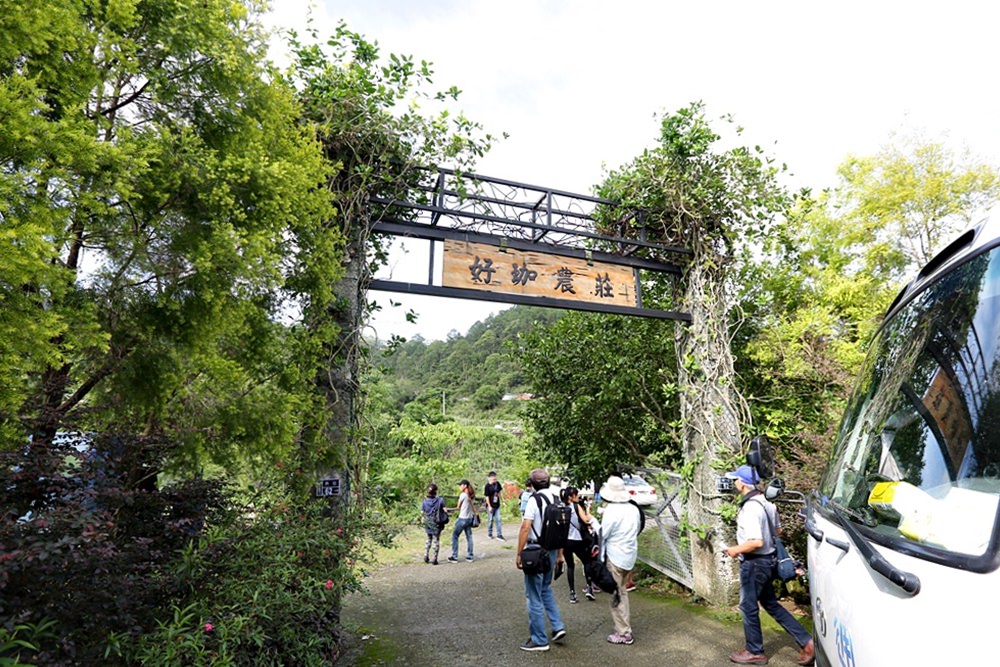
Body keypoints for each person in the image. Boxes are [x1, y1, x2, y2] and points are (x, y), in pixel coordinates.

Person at [724, 465, 815, 666]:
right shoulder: (767, 503)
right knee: (770, 604)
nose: (734, 483)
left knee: (748, 606)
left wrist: (735, 550)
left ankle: (755, 651)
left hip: (754, 564)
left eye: (736, 479)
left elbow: (756, 542)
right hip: (768, 561)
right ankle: (807, 641)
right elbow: (778, 532)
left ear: (743, 484)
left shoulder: (750, 508)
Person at [515, 468, 567, 652]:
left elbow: (525, 527)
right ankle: (557, 626)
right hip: (552, 550)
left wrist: (519, 553)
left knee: (533, 595)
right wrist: (560, 555)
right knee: (545, 589)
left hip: (535, 551)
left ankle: (539, 639)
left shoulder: (533, 500)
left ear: (532, 483)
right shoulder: (556, 499)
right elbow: (562, 530)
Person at [598, 475, 643, 645]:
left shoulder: (611, 510)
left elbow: (604, 535)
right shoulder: (633, 509)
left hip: (615, 556)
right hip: (630, 555)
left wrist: (600, 558)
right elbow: (637, 528)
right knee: (622, 591)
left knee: (616, 594)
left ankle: (624, 633)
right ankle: (623, 628)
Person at [560, 487, 596, 603]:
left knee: (570, 566)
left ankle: (572, 594)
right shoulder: (576, 507)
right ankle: (589, 588)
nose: (578, 497)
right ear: (570, 497)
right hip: (577, 540)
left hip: (565, 542)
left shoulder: (561, 508)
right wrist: (588, 510)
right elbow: (585, 520)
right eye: (576, 495)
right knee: (587, 562)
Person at [448, 479, 477, 563]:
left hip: (462, 518)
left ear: (465, 486)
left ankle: (454, 556)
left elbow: (458, 507)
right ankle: (470, 556)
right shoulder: (471, 495)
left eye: (461, 485)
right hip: (469, 518)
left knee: (455, 536)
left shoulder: (463, 495)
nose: (460, 487)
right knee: (469, 537)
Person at [420, 483, 446, 565]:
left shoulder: (424, 501)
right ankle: (435, 558)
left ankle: (426, 554)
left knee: (428, 538)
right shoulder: (440, 500)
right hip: (437, 522)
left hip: (428, 522)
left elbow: (422, 512)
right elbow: (445, 510)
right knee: (436, 540)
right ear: (436, 491)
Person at [483, 471, 505, 541]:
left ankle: (499, 534)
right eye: (493, 479)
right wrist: (489, 506)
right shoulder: (487, 486)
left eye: (495, 479)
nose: (494, 480)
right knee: (490, 520)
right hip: (490, 506)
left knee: (498, 519)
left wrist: (503, 501)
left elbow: (500, 493)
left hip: (497, 505)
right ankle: (489, 533)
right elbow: (487, 497)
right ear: (489, 478)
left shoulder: (497, 484)